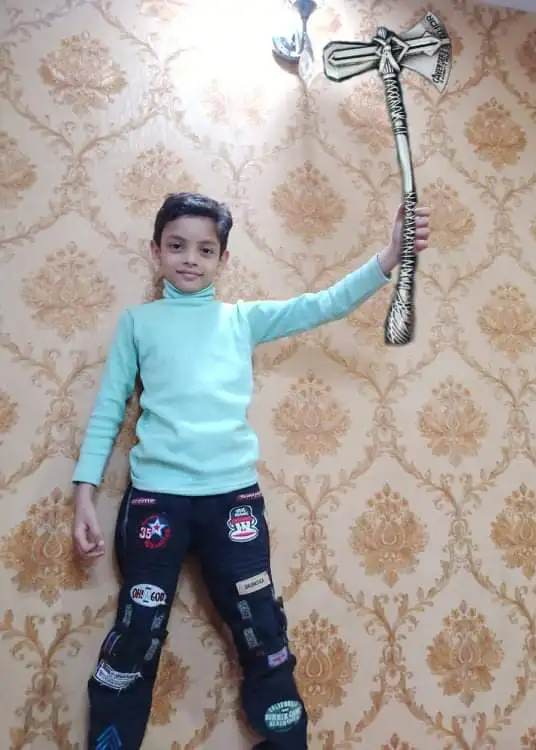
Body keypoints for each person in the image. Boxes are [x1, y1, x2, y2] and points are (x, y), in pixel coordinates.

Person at [72, 192, 430, 750]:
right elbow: (107, 411)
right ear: (155, 252)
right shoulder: (138, 323)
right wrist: (84, 497)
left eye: (205, 249)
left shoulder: (240, 319)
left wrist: (390, 255)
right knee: (138, 631)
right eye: (177, 246)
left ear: (223, 259)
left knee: (262, 628)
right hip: (155, 503)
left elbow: (325, 304)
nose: (190, 259)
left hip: (233, 502)